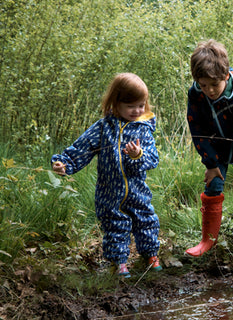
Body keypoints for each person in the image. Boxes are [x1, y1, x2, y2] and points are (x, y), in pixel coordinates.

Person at [51, 73, 162, 277]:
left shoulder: (143, 129)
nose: (137, 111)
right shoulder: (103, 128)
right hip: (109, 192)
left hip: (137, 191)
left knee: (146, 220)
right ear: (116, 103)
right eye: (131, 106)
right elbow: (82, 148)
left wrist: (138, 155)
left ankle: (151, 255)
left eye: (141, 105)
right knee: (115, 225)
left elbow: (153, 158)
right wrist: (64, 163)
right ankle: (119, 262)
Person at [186, 39, 233, 261]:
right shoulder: (196, 94)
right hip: (214, 148)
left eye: (213, 85)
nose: (208, 90)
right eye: (203, 84)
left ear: (226, 76)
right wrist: (210, 163)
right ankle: (208, 241)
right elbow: (195, 127)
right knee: (213, 186)